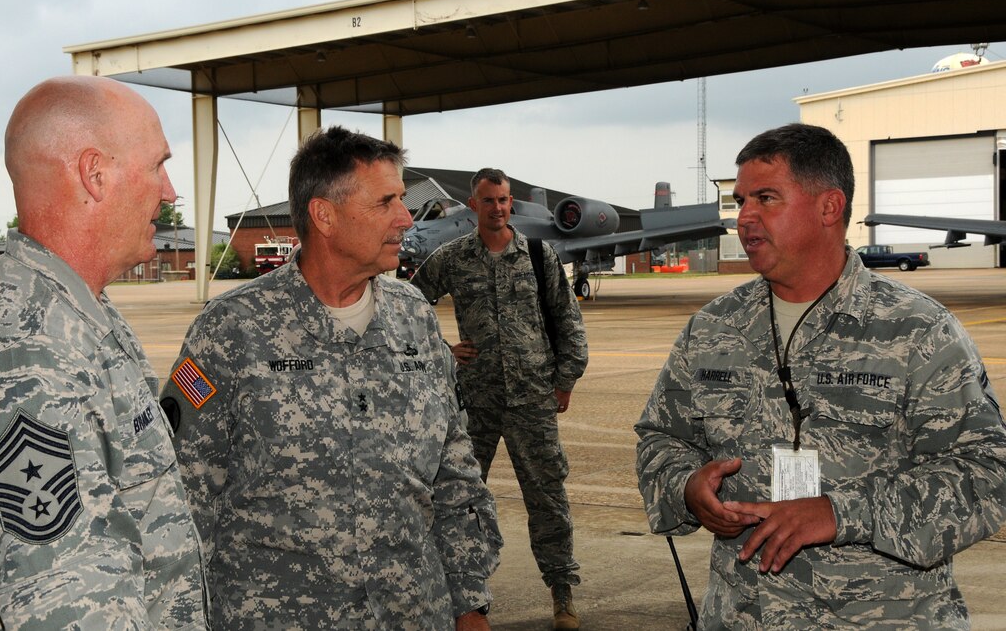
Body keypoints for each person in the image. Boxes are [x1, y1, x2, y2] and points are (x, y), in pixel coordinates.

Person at [635, 123, 1006, 629]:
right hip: (745, 615)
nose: (744, 218)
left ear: (829, 207)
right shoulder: (713, 329)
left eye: (766, 198)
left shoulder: (917, 329)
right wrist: (687, 486)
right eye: (741, 201)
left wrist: (841, 512)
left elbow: (987, 474)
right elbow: (660, 438)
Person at [159, 126, 501, 630]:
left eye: (402, 200)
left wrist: (470, 604)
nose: (405, 219)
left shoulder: (415, 319)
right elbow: (185, 499)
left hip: (413, 613)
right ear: (325, 215)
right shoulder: (231, 329)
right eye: (386, 202)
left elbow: (455, 476)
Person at [0, 76, 209, 629]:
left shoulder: (78, 313)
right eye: (157, 165)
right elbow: (73, 611)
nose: (170, 191)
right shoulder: (24, 359)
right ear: (94, 173)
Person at [410, 168, 589, 631]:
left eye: (505, 200)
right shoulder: (450, 258)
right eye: (489, 201)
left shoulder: (536, 255)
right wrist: (439, 350)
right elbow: (406, 305)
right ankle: (469, 599)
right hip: (477, 399)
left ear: (512, 203)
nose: (498, 208)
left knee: (547, 496)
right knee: (463, 499)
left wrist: (565, 378)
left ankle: (562, 592)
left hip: (533, 397)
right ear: (473, 205)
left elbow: (567, 317)